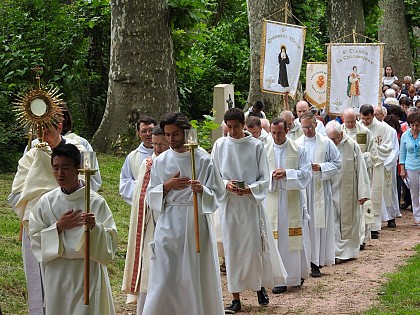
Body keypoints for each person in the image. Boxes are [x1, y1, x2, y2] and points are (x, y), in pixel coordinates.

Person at [142, 112, 225, 315]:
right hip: (170, 221)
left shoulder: (203, 159)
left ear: (186, 133)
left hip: (196, 221)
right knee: (166, 273)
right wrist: (166, 186)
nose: (171, 139)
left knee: (195, 273)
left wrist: (202, 190)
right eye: (168, 135)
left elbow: (218, 193)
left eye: (176, 134)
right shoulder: (161, 162)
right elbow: (149, 197)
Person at [212, 108, 286, 314]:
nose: (233, 131)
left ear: (243, 125)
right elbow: (214, 174)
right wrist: (226, 184)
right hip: (230, 205)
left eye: (236, 127)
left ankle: (259, 287)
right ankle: (235, 297)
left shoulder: (255, 146)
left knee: (254, 249)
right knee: (232, 251)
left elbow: (265, 176)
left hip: (250, 204)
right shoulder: (220, 145)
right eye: (229, 127)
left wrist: (250, 189)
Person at [28, 144, 117, 314]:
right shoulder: (46, 202)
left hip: (86, 272)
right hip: (56, 272)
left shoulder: (95, 201)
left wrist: (94, 227)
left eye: (65, 168)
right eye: (55, 168)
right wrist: (59, 227)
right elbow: (35, 239)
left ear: (78, 168)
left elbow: (110, 244)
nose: (60, 174)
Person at [8, 121, 86, 315]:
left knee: (69, 280)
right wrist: (41, 204)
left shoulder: (77, 150)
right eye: (39, 131)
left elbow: (90, 183)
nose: (43, 135)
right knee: (38, 279)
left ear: (59, 127)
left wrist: (63, 201)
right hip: (38, 224)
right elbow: (15, 194)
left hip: (73, 219)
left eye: (48, 130)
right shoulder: (30, 156)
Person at [121, 126, 170, 313]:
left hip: (170, 221)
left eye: (161, 145)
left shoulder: (175, 162)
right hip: (150, 223)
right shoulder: (148, 164)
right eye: (154, 144)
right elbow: (141, 198)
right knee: (149, 267)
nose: (157, 148)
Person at [265, 117, 312, 293]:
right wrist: (271, 175)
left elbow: (306, 174)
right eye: (273, 133)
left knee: (293, 239)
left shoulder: (298, 149)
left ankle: (295, 275)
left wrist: (287, 173)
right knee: (276, 240)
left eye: (280, 133)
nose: (276, 137)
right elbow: (259, 175)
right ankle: (279, 279)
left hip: (292, 199)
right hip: (272, 199)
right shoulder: (263, 149)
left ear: (287, 131)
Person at [296, 112, 341, 277]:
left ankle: (316, 262)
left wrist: (321, 167)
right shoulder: (296, 144)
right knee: (304, 226)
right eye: (304, 127)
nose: (307, 130)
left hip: (320, 189)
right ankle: (304, 260)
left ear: (316, 125)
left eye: (310, 127)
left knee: (317, 226)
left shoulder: (326, 143)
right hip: (303, 190)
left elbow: (337, 164)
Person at [325, 121, 370, 262]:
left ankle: (347, 253)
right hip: (330, 190)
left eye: (335, 138)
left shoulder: (352, 146)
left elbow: (361, 170)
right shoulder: (325, 145)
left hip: (348, 191)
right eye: (331, 139)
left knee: (348, 222)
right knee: (332, 222)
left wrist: (363, 193)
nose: (333, 142)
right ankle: (333, 252)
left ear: (341, 134)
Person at [359, 104, 393, 239]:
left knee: (374, 195)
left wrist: (371, 155)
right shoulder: (358, 127)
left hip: (376, 165)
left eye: (368, 119)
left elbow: (387, 147)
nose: (365, 122)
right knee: (362, 194)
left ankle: (374, 227)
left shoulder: (383, 128)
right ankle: (362, 226)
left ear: (373, 115)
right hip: (361, 167)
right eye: (363, 119)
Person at [119, 116, 157, 205]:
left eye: (151, 130)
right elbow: (124, 182)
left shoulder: (166, 152)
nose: (148, 134)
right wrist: (143, 187)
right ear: (138, 134)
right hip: (142, 202)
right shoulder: (132, 157)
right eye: (144, 131)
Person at [399, 112, 420, 226]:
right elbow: (402, 153)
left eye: (417, 125)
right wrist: (402, 169)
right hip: (411, 166)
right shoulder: (405, 135)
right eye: (412, 125)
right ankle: (417, 216)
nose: (415, 128)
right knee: (414, 192)